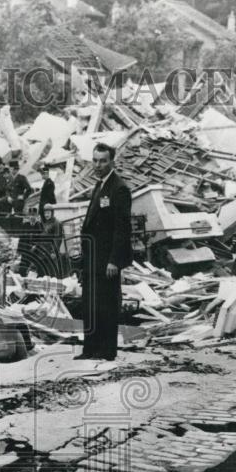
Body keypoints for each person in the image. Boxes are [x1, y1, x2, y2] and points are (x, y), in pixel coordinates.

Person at [77, 142, 132, 361]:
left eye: (103, 161)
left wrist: (114, 261)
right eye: (95, 160)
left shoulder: (119, 188)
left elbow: (122, 228)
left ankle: (107, 350)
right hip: (92, 257)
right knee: (91, 304)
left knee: (107, 304)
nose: (98, 165)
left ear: (112, 162)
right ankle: (90, 349)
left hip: (107, 259)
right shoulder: (99, 186)